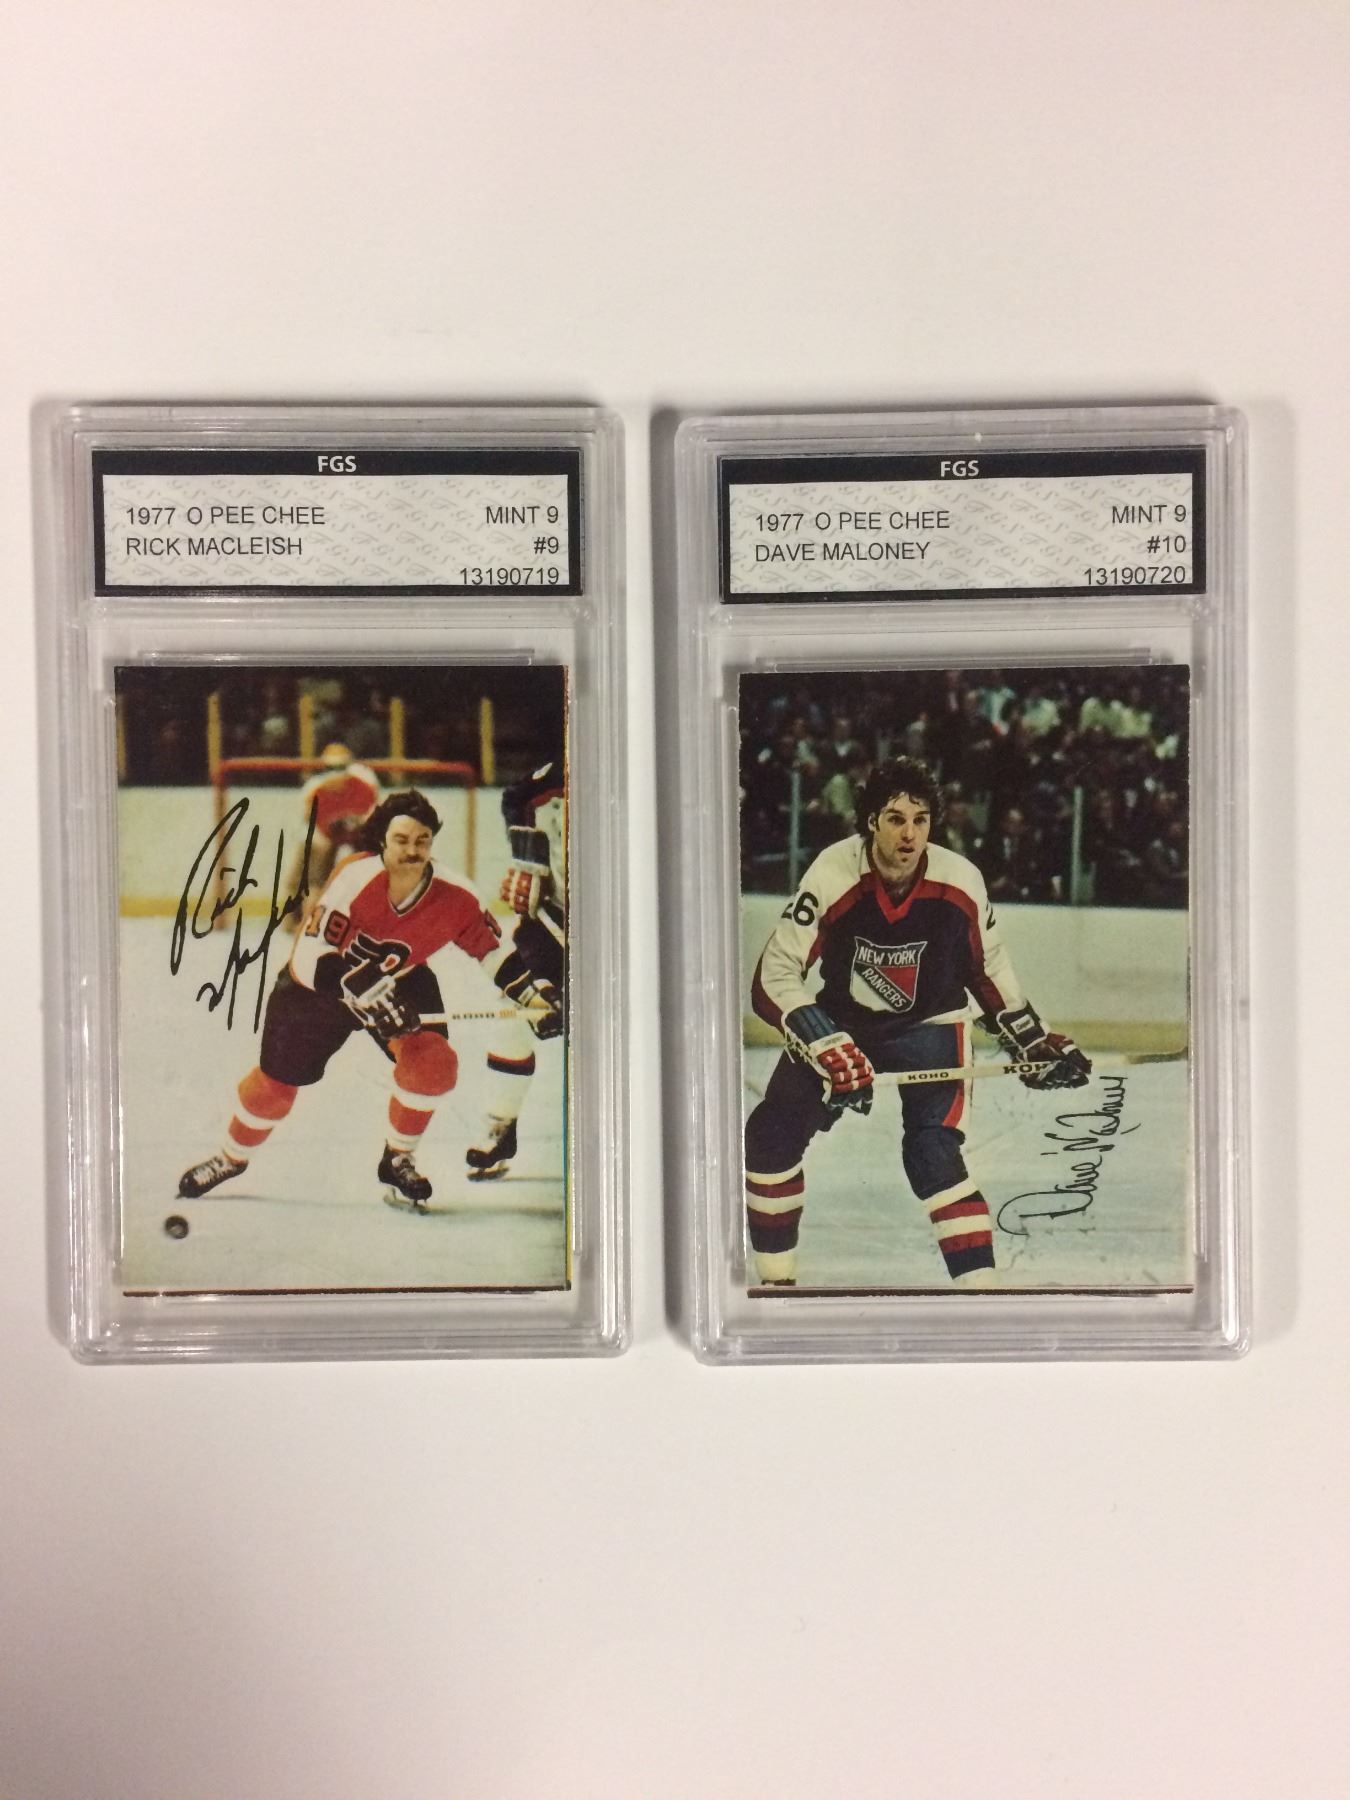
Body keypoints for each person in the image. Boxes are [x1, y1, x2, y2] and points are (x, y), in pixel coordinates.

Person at [744, 757, 1090, 1288]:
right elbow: (775, 973)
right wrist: (824, 1041)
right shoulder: (834, 872)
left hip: (932, 1024)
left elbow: (988, 968)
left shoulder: (960, 880)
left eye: (920, 820)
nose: (909, 834)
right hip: (843, 1022)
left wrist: (1032, 1039)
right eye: (895, 819)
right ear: (871, 822)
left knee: (933, 1154)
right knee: (770, 1138)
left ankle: (981, 1296)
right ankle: (775, 1287)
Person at [177, 790, 561, 1210]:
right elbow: (309, 955)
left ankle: (397, 1159)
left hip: (401, 980)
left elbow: (493, 951)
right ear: (382, 840)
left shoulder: (455, 893)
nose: (412, 850)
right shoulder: (355, 877)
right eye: (401, 840)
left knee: (433, 1064)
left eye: (422, 840)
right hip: (319, 990)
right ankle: (230, 1157)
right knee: (273, 1089)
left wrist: (532, 994)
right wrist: (361, 987)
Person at [465, 759, 567, 1180]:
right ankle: (500, 1125)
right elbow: (516, 796)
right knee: (513, 1016)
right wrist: (527, 860)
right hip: (555, 927)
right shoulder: (554, 781)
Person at [282, 742, 381, 933]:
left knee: (374, 870)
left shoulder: (366, 784)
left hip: (359, 834)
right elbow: (309, 827)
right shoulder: (314, 790)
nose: (336, 774)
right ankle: (299, 922)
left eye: (340, 767)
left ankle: (374, 921)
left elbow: (375, 819)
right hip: (321, 835)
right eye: (330, 768)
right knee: (305, 878)